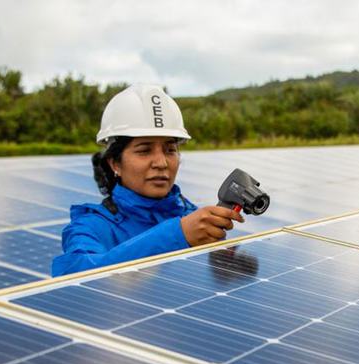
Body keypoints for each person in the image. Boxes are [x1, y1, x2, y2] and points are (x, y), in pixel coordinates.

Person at [51, 84, 244, 277]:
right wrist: (177, 235)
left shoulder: (192, 217)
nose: (161, 163)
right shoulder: (90, 227)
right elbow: (75, 278)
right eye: (144, 151)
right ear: (115, 163)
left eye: (170, 150)